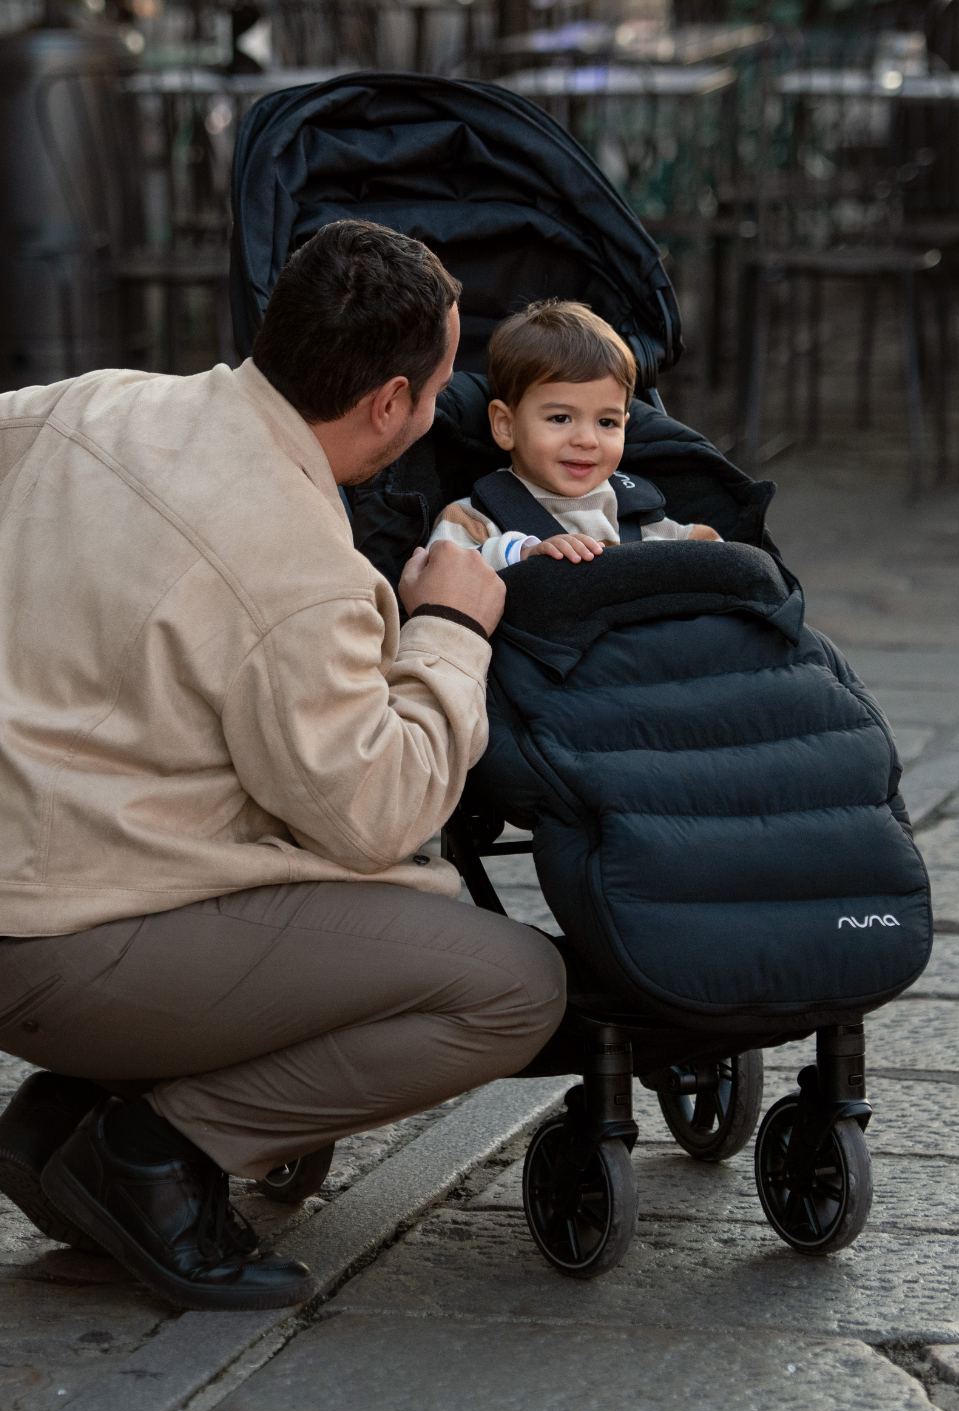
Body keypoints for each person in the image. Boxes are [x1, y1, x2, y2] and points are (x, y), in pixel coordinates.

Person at [0, 220, 566, 1311]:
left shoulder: (71, 407)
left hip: (48, 905)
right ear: (392, 403)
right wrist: (448, 626)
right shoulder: (303, 567)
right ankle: (153, 1153)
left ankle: (61, 1124)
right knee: (509, 986)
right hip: (70, 947)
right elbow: (379, 810)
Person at [429, 299, 722, 568]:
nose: (587, 440)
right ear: (506, 425)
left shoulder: (637, 514)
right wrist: (524, 555)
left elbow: (715, 554)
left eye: (607, 423)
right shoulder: (475, 518)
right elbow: (438, 573)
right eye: (560, 418)